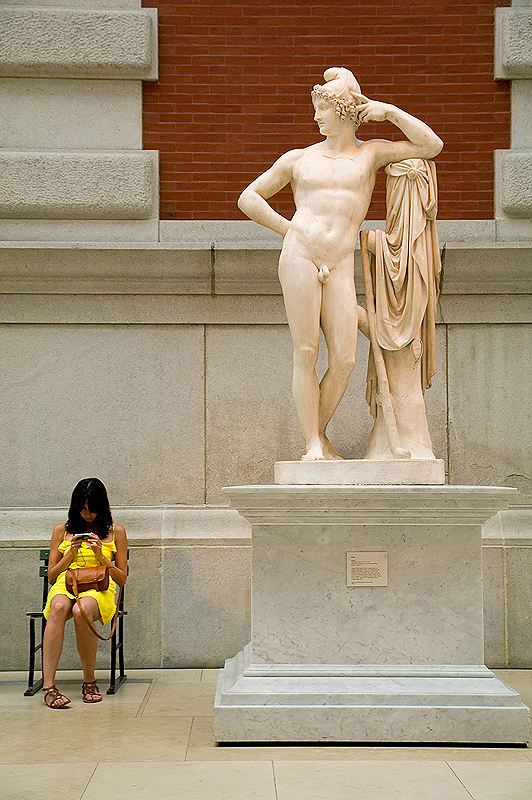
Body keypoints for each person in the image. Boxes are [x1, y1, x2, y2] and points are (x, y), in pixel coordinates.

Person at [237, 67, 443, 461]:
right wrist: (293, 231)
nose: (315, 117)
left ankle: (319, 431)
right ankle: (313, 443)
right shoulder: (298, 159)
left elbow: (431, 145)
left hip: (341, 263)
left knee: (345, 359)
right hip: (300, 256)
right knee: (306, 350)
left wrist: (389, 113)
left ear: (345, 110)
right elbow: (249, 198)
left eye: (322, 109)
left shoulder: (371, 154)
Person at [41, 478, 127, 707]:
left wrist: (101, 556)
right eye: (82, 509)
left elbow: (121, 578)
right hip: (66, 583)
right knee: (58, 607)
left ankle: (89, 680)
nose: (87, 515)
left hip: (100, 587)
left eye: (92, 510)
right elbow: (51, 577)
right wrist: (69, 555)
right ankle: (48, 687)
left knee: (81, 610)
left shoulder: (115, 531)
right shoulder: (61, 530)